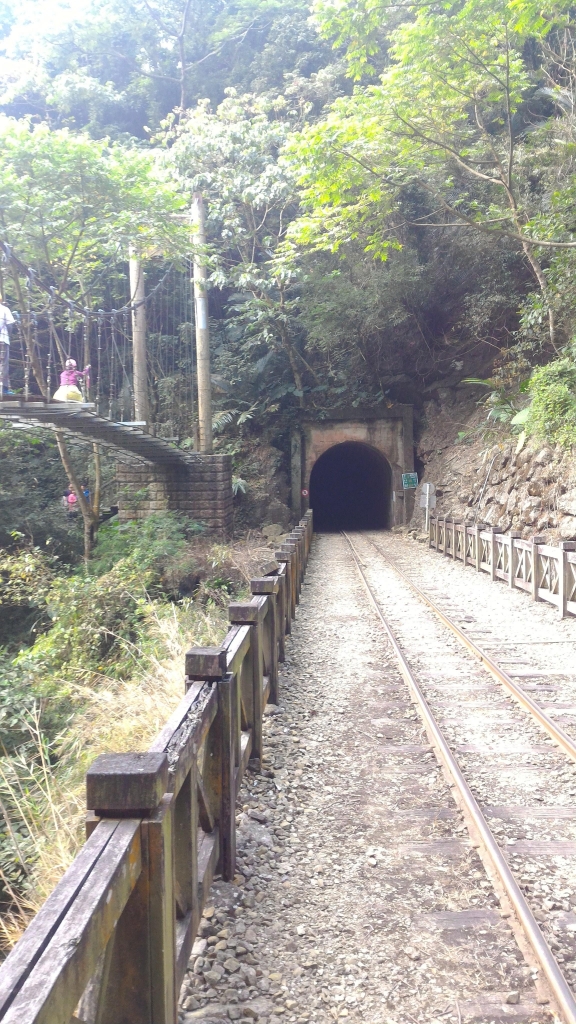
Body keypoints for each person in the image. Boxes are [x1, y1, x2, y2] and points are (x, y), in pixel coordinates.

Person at [0, 296, 15, 395]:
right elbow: (10, 325)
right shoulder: (5, 309)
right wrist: (8, 334)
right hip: (2, 340)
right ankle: (3, 388)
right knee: (3, 364)